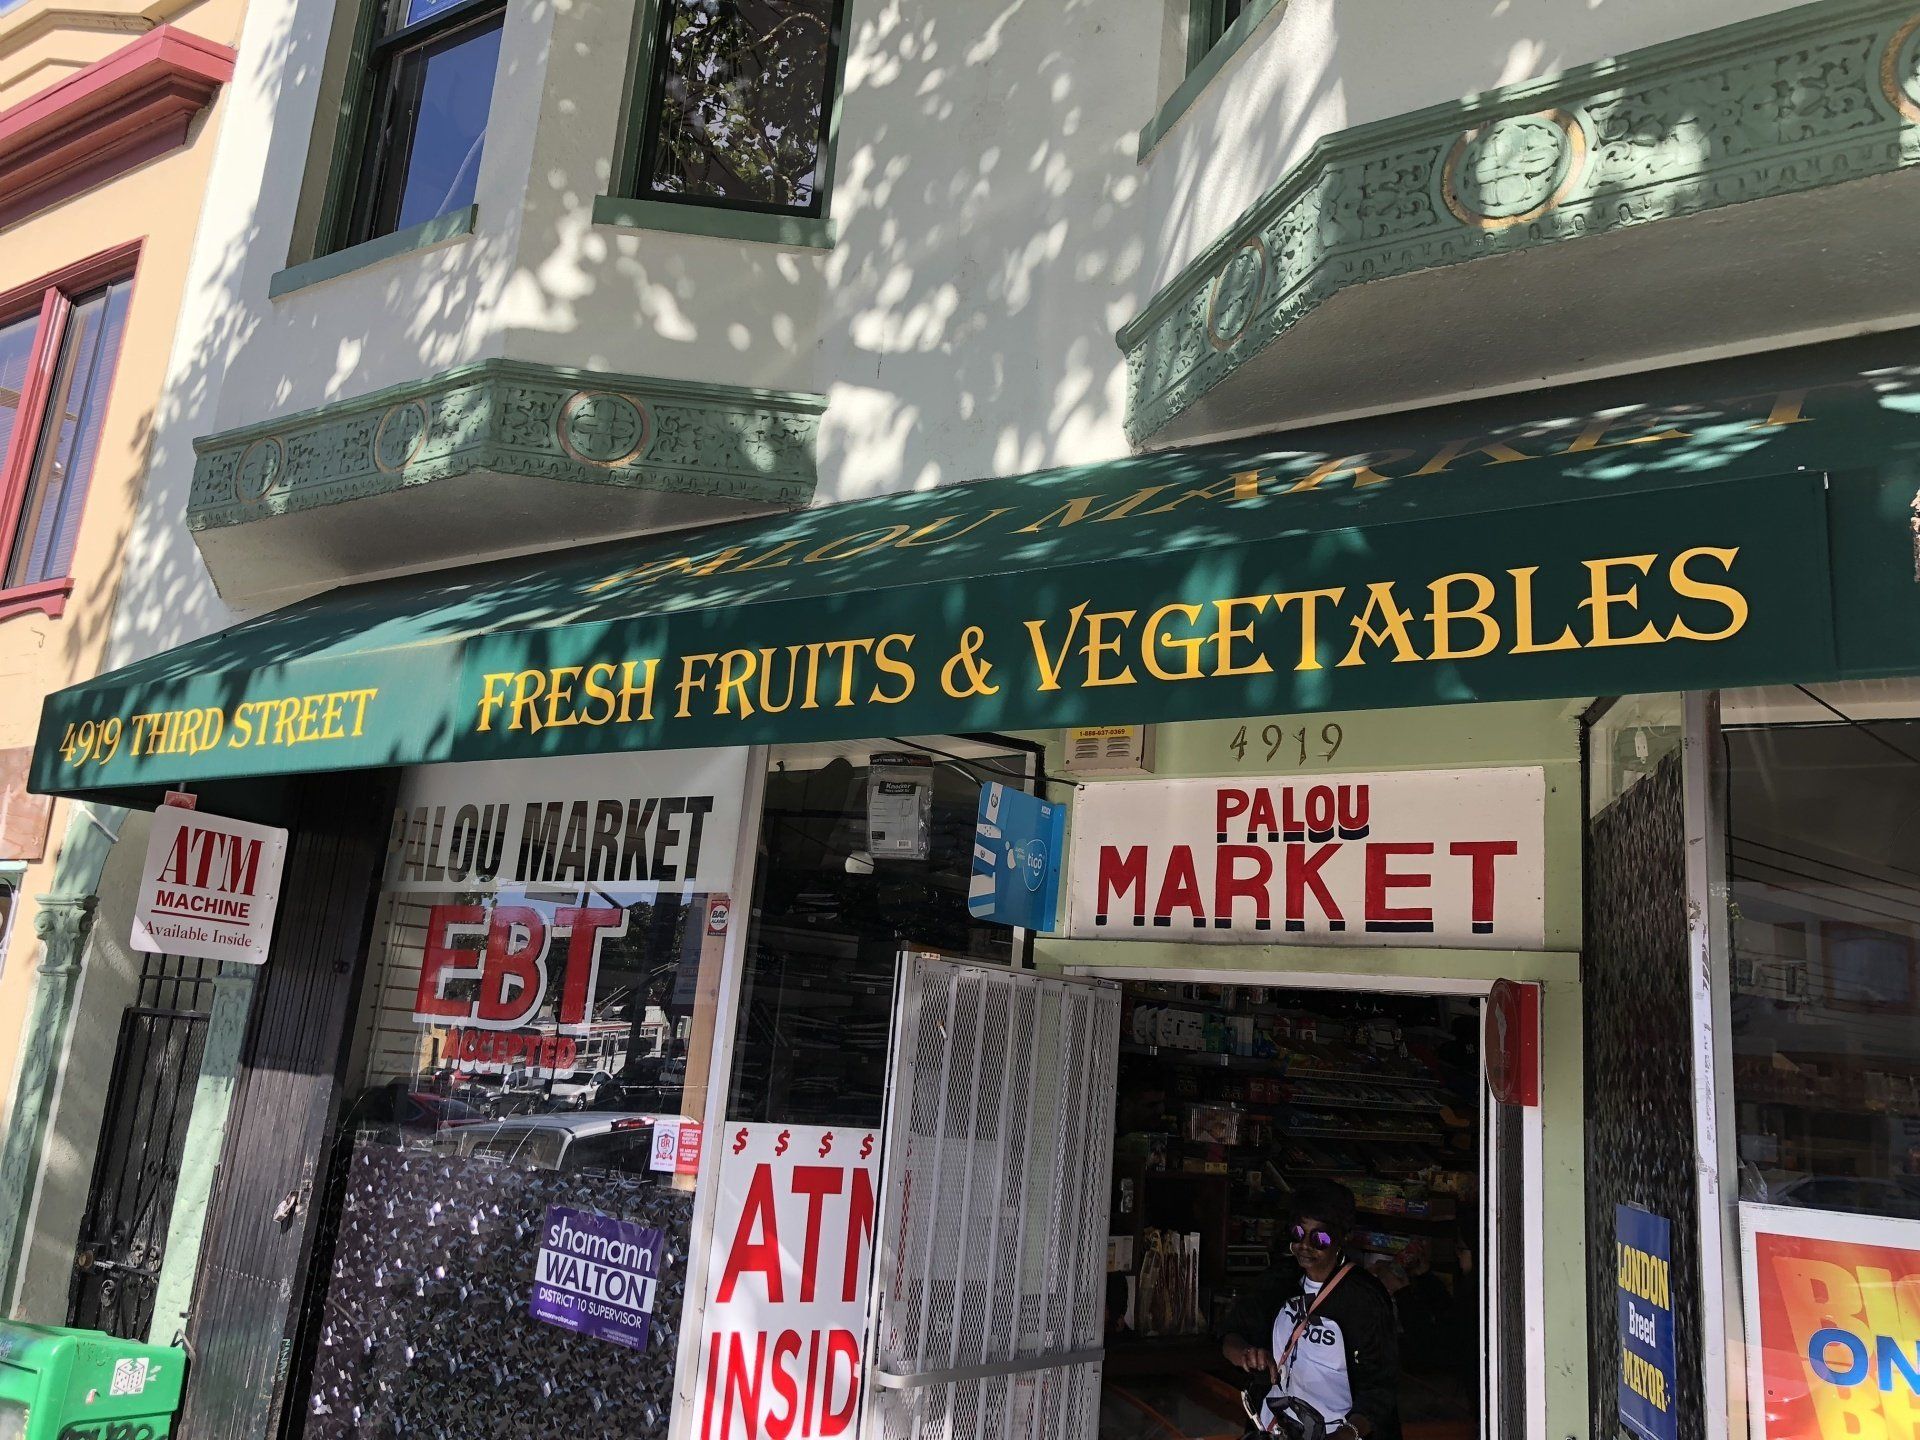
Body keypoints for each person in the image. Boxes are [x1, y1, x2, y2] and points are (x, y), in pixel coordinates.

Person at [1221, 1180, 1400, 1439]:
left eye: (1320, 1238)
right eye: (1297, 1233)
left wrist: (1347, 1434)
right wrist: (1246, 1354)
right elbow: (1230, 1335)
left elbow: (1381, 1388)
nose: (1305, 1245)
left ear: (1343, 1238)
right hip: (1276, 1428)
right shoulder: (1278, 1280)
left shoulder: (1365, 1298)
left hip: (1336, 1431)